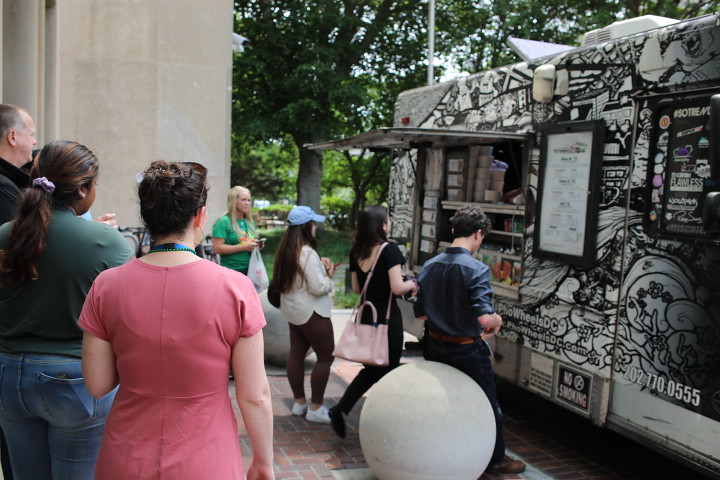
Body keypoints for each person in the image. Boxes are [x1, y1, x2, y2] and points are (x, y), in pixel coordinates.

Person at [80, 160, 274, 480]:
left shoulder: (106, 285)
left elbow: (98, 384)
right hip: (208, 458)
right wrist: (264, 462)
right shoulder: (235, 288)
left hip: (127, 455)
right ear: (199, 217)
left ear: (147, 219)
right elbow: (255, 395)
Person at [0, 140, 133, 479]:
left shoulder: (5, 234)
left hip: (8, 373)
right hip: (74, 377)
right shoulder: (108, 243)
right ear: (85, 188)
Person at [413, 204, 526, 474]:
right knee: (487, 405)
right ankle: (495, 459)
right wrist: (497, 321)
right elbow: (485, 318)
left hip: (435, 346)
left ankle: (446, 450)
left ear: (453, 231)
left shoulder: (430, 265)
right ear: (478, 234)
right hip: (466, 351)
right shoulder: (476, 269)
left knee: (442, 402)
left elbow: (420, 315)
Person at [328, 205, 417, 437]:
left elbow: (357, 288)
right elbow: (398, 288)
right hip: (387, 317)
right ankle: (383, 416)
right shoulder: (389, 250)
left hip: (367, 314)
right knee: (387, 368)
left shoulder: (357, 251)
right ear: (382, 225)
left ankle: (343, 408)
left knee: (373, 367)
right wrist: (413, 283)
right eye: (387, 220)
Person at [272, 205, 336, 424]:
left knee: (296, 354)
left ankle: (300, 403)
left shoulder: (286, 250)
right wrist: (329, 276)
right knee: (326, 356)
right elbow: (318, 287)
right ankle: (316, 407)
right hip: (311, 310)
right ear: (306, 227)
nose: (316, 227)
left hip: (292, 310)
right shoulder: (306, 252)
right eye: (313, 223)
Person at [212, 185, 264, 274]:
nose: (247, 203)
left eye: (249, 200)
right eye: (243, 200)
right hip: (231, 270)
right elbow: (217, 248)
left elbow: (249, 243)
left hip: (251, 269)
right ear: (233, 201)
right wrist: (244, 247)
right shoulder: (223, 221)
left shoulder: (249, 221)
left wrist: (256, 246)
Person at [0, 104, 36, 225]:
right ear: (12, 137)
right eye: (31, 134)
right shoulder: (4, 189)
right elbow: (18, 241)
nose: (35, 142)